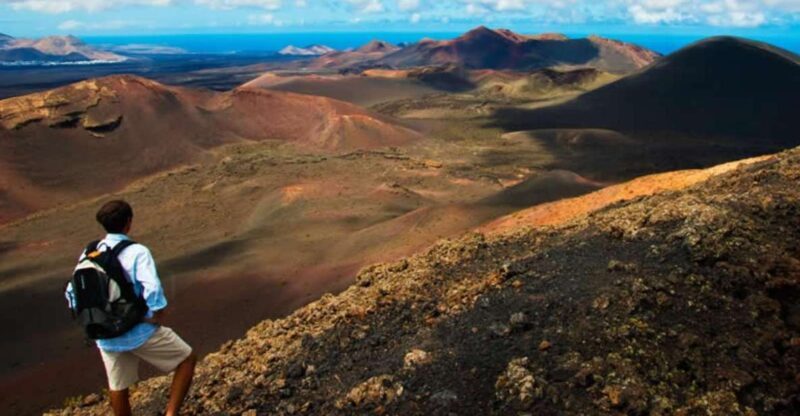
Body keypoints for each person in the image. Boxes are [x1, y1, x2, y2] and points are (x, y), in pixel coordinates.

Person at [66, 200, 196, 416]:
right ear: (129, 222)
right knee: (186, 359)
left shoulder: (89, 251)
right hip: (138, 330)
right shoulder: (137, 252)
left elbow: (72, 291)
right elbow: (152, 288)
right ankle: (171, 413)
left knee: (118, 386)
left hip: (105, 332)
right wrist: (157, 312)